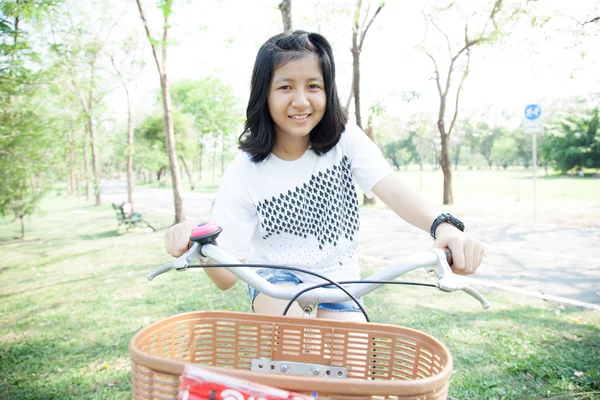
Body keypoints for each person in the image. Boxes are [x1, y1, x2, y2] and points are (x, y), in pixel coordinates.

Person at [165, 30, 486, 321]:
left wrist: (443, 227)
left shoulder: (345, 139)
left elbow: (393, 189)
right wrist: (198, 243)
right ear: (264, 94)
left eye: (313, 86)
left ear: (327, 91)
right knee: (296, 335)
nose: (301, 100)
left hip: (341, 282)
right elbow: (226, 278)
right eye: (286, 86)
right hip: (277, 283)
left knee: (352, 366)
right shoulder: (244, 170)